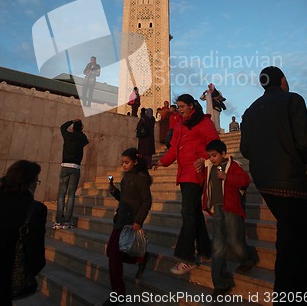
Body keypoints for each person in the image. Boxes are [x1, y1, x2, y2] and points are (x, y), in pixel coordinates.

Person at [240, 66, 307, 294]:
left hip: (263, 180)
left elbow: (245, 149)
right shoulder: (293, 100)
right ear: (283, 80)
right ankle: (286, 293)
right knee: (289, 238)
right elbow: (305, 141)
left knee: (302, 230)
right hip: (290, 181)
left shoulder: (250, 110)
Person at [154, 94, 219, 274]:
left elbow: (215, 144)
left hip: (196, 173)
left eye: (183, 106)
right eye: (179, 106)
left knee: (188, 212)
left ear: (192, 106)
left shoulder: (204, 122)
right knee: (194, 212)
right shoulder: (180, 125)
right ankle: (206, 250)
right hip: (184, 173)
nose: (180, 109)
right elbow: (174, 149)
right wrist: (162, 162)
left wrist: (203, 158)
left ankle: (186, 256)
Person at [0, 160, 47, 305]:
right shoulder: (35, 209)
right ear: (30, 182)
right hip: (2, 286)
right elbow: (36, 259)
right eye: (36, 181)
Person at [202, 140, 254, 296]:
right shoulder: (209, 167)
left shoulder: (234, 165)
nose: (212, 158)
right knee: (218, 246)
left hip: (231, 209)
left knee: (235, 240)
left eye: (214, 155)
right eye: (210, 156)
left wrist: (227, 177)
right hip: (217, 209)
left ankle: (246, 260)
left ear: (223, 154)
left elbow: (245, 181)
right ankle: (220, 283)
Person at [103, 148, 152, 305]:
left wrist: (138, 221)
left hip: (130, 222)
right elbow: (123, 198)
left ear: (135, 162)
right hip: (120, 220)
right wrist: (113, 191)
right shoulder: (126, 178)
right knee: (111, 251)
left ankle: (119, 293)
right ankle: (140, 258)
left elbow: (146, 202)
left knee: (114, 259)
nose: (124, 165)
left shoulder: (142, 179)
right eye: (123, 163)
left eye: (127, 162)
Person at [53, 119, 89, 230]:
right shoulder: (82, 138)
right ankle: (67, 221)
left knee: (61, 194)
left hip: (65, 166)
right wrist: (80, 130)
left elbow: (62, 127)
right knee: (71, 195)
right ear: (81, 128)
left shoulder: (67, 135)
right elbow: (86, 141)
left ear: (73, 128)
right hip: (75, 167)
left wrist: (71, 121)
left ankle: (59, 221)